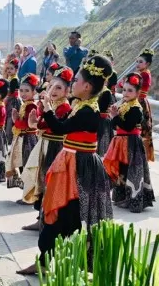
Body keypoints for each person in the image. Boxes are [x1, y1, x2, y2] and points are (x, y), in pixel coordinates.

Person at [17, 55, 114, 276]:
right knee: (60, 213)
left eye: (76, 80)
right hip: (71, 162)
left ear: (87, 86)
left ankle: (66, 262)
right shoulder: (82, 105)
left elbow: (61, 129)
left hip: (78, 169)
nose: (74, 84)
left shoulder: (89, 111)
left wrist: (48, 109)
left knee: (67, 214)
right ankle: (46, 260)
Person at [21, 66, 73, 231]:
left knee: (49, 183)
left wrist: (40, 118)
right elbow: (41, 124)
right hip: (44, 144)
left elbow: (52, 126)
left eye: (58, 87)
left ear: (67, 91)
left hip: (54, 147)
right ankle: (41, 219)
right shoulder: (50, 105)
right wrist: (34, 121)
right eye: (51, 86)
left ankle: (48, 220)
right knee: (41, 181)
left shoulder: (63, 107)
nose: (53, 90)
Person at [103, 73, 155, 213]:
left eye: (130, 90)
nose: (125, 93)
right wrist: (114, 117)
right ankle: (123, 197)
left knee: (131, 171)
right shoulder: (124, 105)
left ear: (138, 93)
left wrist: (114, 117)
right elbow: (116, 126)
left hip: (131, 144)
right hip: (120, 142)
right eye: (124, 90)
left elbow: (127, 126)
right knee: (122, 170)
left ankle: (133, 199)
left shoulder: (136, 108)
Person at [7, 74, 39, 192]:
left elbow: (26, 124)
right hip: (24, 137)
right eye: (21, 90)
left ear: (34, 92)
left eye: (27, 90)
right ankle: (27, 192)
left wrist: (16, 120)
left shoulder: (31, 105)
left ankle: (29, 193)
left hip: (28, 139)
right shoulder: (26, 104)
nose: (23, 93)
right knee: (22, 164)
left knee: (26, 165)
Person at [136, 48, 154, 162]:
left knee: (140, 129)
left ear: (147, 64)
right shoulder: (142, 73)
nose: (137, 64)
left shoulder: (144, 75)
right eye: (137, 61)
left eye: (140, 62)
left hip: (140, 102)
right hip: (139, 101)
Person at [4, 58, 21, 146]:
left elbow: (10, 92)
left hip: (13, 102)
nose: (9, 70)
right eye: (8, 68)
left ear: (16, 70)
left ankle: (10, 139)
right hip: (10, 100)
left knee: (11, 120)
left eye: (11, 68)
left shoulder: (14, 79)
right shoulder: (11, 78)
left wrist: (5, 100)